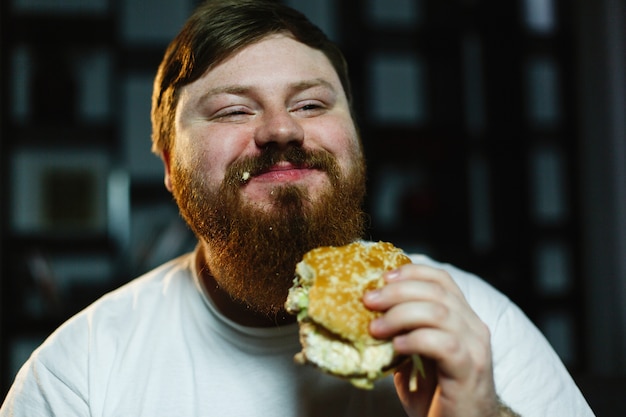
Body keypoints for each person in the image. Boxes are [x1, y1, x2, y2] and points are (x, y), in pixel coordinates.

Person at [1, 1, 595, 416]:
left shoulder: (474, 323)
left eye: (312, 104)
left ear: (357, 138)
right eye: (234, 110)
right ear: (165, 163)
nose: (282, 129)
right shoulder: (76, 376)